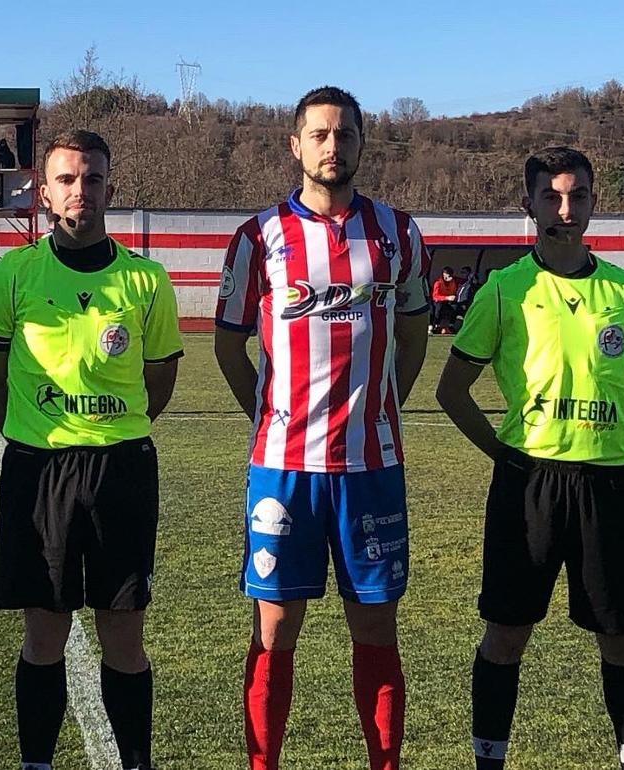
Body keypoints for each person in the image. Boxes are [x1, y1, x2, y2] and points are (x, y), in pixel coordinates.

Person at [436, 146, 624, 770]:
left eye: (576, 197)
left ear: (595, 203)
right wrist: (504, 453)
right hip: (529, 487)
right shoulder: (503, 291)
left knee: (623, 636)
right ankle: (488, 759)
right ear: (530, 206)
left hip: (612, 488)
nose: (564, 210)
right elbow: (451, 391)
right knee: (506, 634)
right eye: (551, 197)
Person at [214, 86, 430, 770]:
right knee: (274, 633)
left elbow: (417, 330)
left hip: (371, 469)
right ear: (295, 144)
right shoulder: (258, 237)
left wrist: (388, 401)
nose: (332, 146)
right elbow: (228, 343)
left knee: (375, 627)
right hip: (283, 468)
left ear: (363, 143)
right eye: (319, 134)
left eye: (345, 134)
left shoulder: (399, 232)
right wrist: (265, 413)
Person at [0, 129, 182, 770]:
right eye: (66, 179)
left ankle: (137, 761)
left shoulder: (146, 281)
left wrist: (114, 427)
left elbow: (159, 380)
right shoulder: (15, 274)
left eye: (91, 179)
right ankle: (38, 762)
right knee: (44, 634)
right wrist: (30, 432)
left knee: (123, 635)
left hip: (122, 468)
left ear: (109, 189)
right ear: (46, 191)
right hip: (40, 472)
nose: (79, 190)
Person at [432, 265, 461, 334]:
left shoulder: (453, 282)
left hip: (449, 301)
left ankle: (451, 326)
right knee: (439, 307)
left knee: (455, 307)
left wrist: (454, 297)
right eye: (447, 275)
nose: (449, 278)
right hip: (439, 301)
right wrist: (446, 298)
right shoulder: (438, 283)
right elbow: (435, 296)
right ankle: (436, 325)